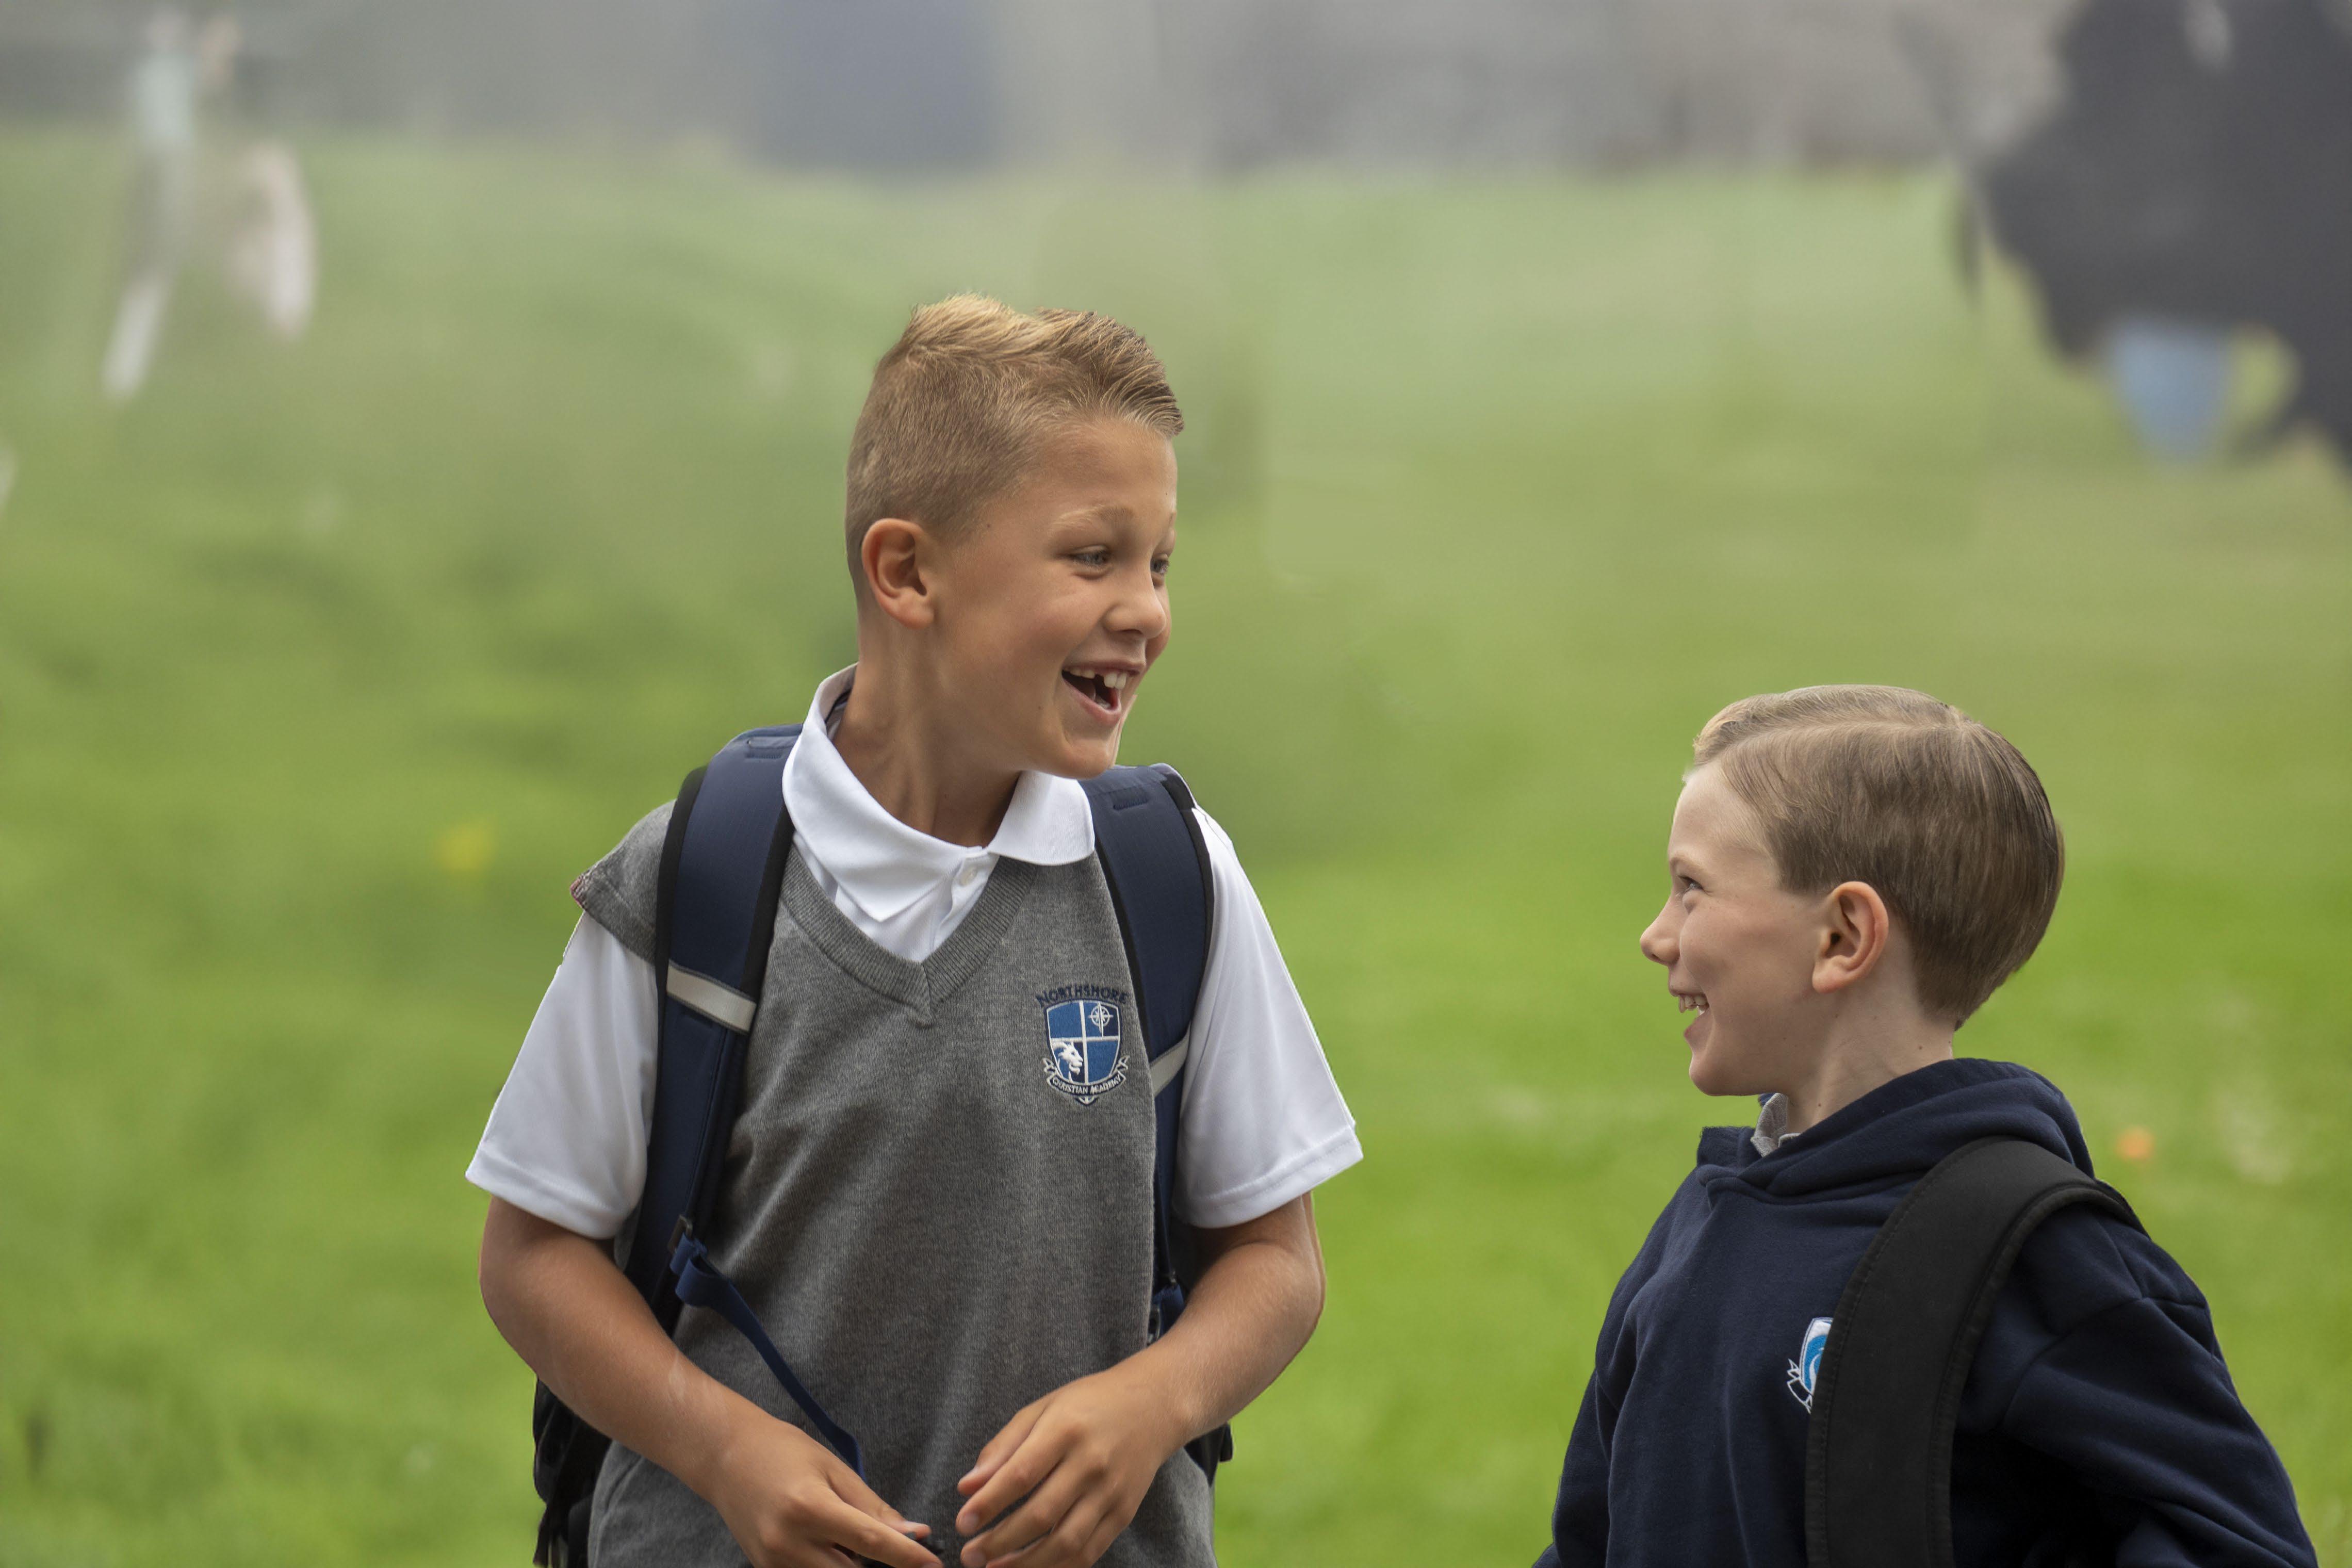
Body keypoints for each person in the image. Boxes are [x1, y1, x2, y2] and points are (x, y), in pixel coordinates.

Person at [469, 297, 1360, 1568]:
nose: (1147, 611)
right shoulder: (700, 878)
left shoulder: (1172, 878)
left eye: (1159, 564)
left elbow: (1278, 1260)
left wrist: (1153, 1403)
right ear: (906, 573)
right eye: (1093, 556)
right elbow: (532, 1253)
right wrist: (725, 1451)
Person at [1536, 685, 2316, 1568]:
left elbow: (2237, 1544)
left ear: (1843, 937)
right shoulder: (1703, 1226)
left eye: (1691, 889)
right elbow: (1589, 1544)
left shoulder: (2032, 1260)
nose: (1656, 935)